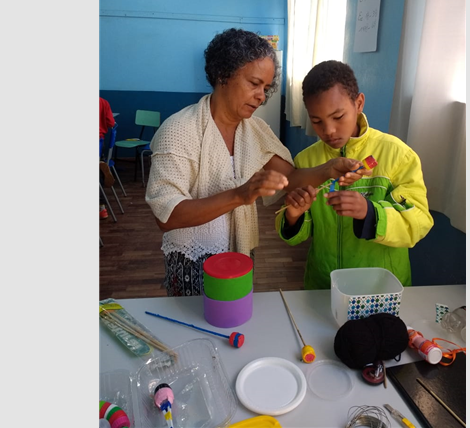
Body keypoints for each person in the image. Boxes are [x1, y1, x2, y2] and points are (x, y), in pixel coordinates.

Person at [145, 29, 367, 296]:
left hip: (240, 255)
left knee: (235, 325)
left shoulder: (255, 131)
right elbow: (167, 216)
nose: (262, 96)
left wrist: (329, 169)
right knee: (195, 327)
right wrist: (241, 194)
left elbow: (290, 179)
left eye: (266, 87)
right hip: (192, 261)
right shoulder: (180, 131)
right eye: (254, 83)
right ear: (223, 75)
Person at [275, 60, 434, 289]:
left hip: (380, 288)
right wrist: (293, 215)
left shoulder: (397, 155)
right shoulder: (306, 162)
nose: (328, 131)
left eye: (338, 117)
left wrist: (369, 212)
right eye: (317, 121)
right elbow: (301, 230)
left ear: (358, 103)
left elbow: (419, 221)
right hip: (324, 285)